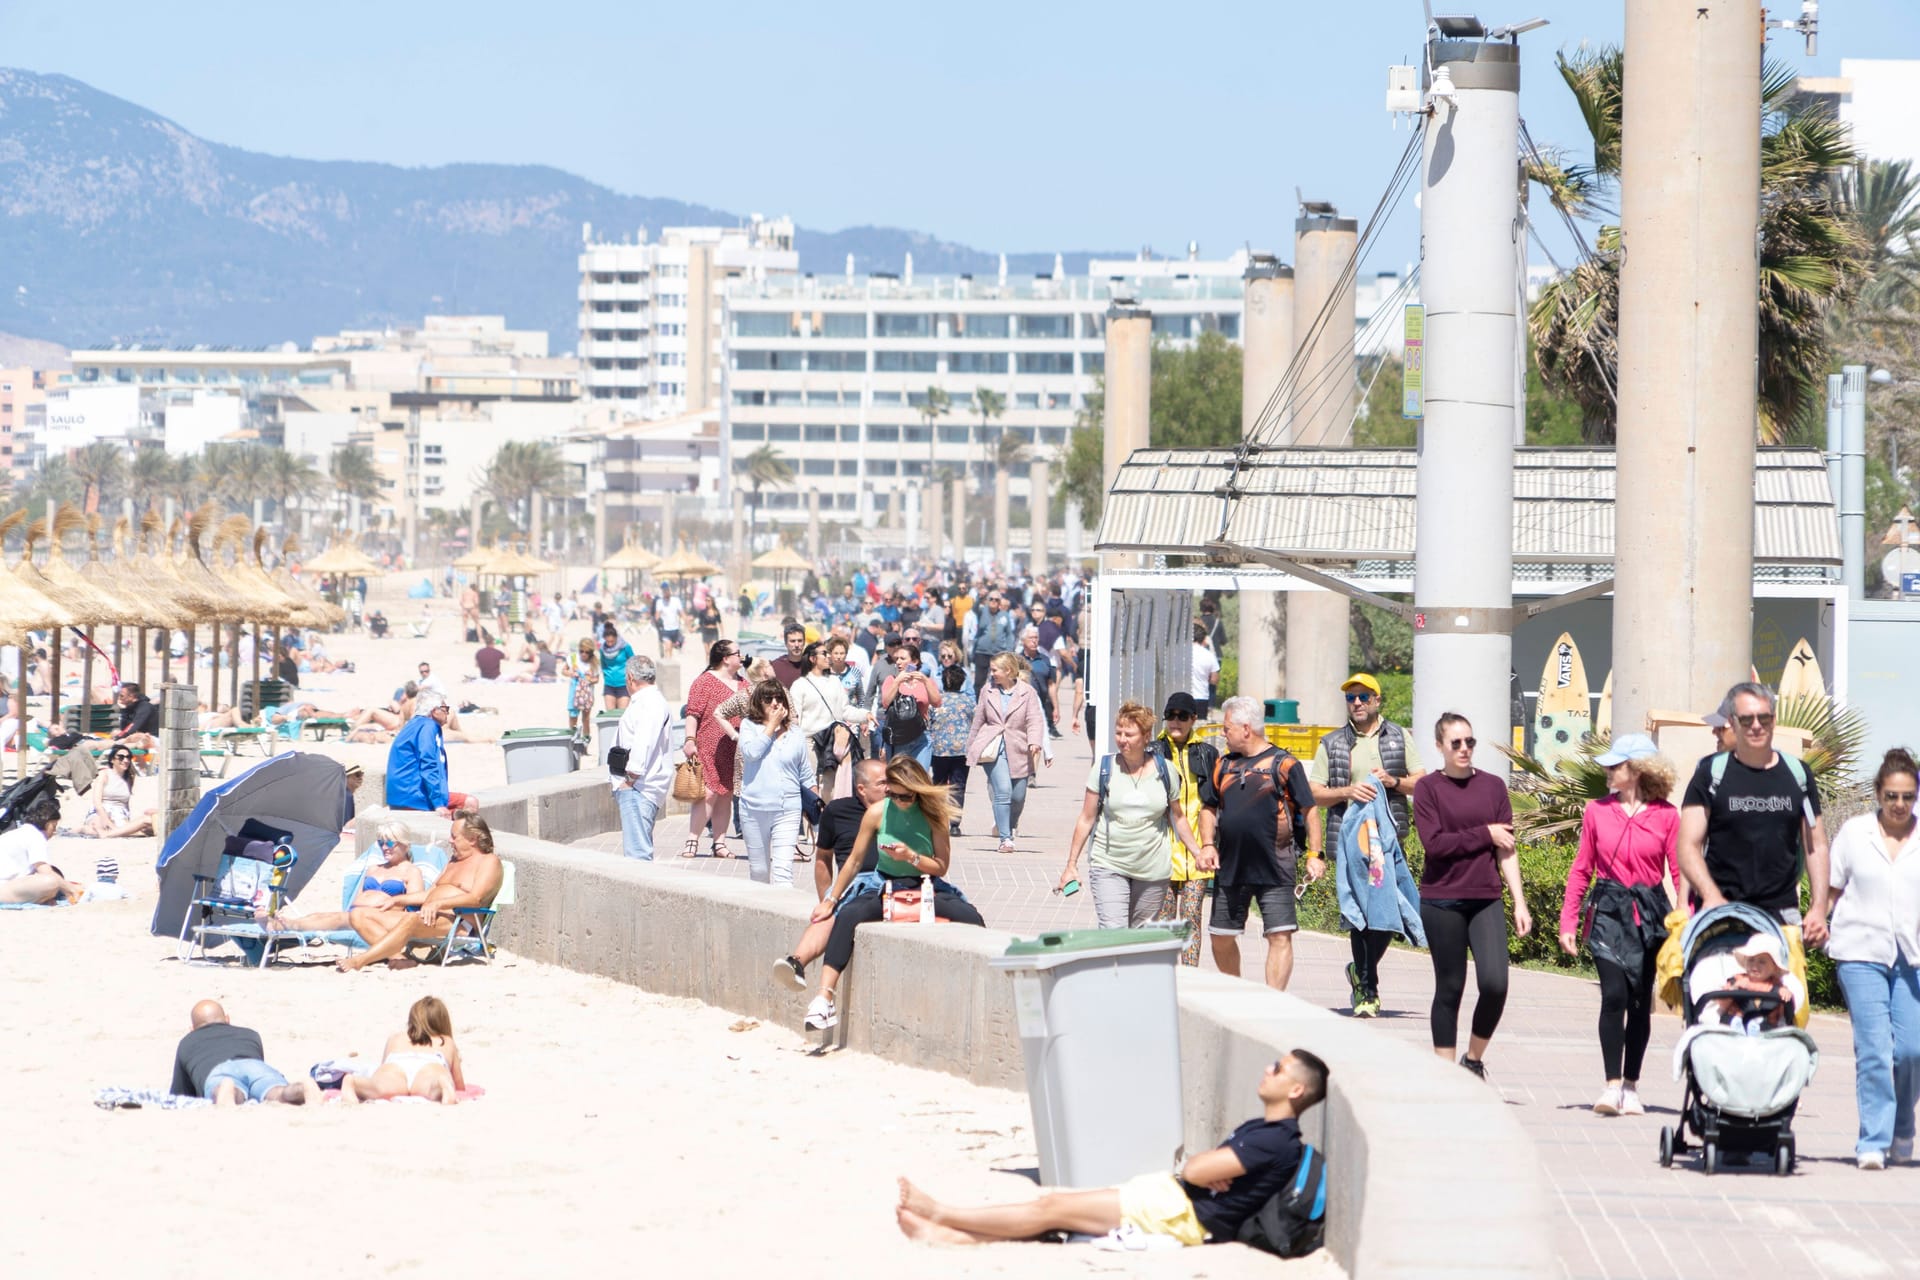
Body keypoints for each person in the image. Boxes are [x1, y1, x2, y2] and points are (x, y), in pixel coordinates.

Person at [894, 1053, 1327, 1248]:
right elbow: (1203, 1169)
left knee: (1053, 1208)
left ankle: (941, 1214)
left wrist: (1201, 1166)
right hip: (1179, 1202)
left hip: (1185, 1216)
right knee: (1059, 1211)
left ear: (1295, 1089)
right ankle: (951, 1235)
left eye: (1278, 1068)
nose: (1266, 1069)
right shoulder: (1267, 1130)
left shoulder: (1275, 1139)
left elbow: (1197, 1169)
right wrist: (1202, 1168)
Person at [1677, 681, 1829, 1029]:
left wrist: (1819, 906)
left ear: (1774, 720)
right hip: (1722, 917)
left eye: (1764, 718)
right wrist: (1711, 896)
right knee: (1715, 1011)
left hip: (1780, 916)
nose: (1757, 726)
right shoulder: (1711, 774)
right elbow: (1687, 844)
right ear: (1732, 722)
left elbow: (1816, 843)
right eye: (1747, 719)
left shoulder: (1798, 775)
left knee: (1788, 1014)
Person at [801, 758, 985, 1031]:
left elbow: (941, 867)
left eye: (906, 796)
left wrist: (911, 857)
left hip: (924, 885)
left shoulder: (934, 814)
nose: (899, 801)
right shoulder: (877, 812)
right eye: (893, 794)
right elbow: (853, 862)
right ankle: (823, 998)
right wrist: (830, 900)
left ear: (918, 790)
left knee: (971, 917)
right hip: (884, 885)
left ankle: (985, 987)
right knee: (848, 915)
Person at [1556, 733, 1680, 1117]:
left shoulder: (1667, 816)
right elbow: (1581, 869)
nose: (1608, 771)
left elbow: (1678, 872)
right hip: (1607, 909)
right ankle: (1610, 1086)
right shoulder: (1596, 811)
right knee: (1614, 995)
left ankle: (1631, 1086)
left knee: (1641, 1001)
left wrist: (1688, 920)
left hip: (1649, 913)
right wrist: (1568, 921)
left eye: (1616, 765)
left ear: (1640, 770)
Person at [1413, 712, 1530, 1080]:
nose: (1464, 749)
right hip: (1442, 899)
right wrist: (1486, 834)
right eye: (1456, 743)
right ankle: (1445, 1074)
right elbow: (1434, 846)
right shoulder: (1428, 789)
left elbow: (1506, 847)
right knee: (1450, 986)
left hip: (1485, 898)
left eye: (1470, 742)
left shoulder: (1494, 787)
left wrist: (1519, 901)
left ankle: (1474, 1059)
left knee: (1495, 984)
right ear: (1439, 747)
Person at [1825, 746, 1920, 1170]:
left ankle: (1903, 1125)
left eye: (1908, 797)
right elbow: (1830, 887)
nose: (1899, 805)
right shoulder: (1854, 833)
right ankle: (1873, 1139)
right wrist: (1814, 921)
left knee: (1912, 1051)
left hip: (1912, 957)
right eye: (1892, 796)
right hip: (1860, 950)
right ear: (1877, 794)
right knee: (1876, 1049)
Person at [1310, 673, 1426, 1017]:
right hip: (1349, 845)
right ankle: (1367, 989)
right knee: (1359, 916)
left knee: (1386, 913)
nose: (1357, 703)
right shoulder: (1331, 743)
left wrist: (1394, 781)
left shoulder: (1399, 737)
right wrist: (1348, 791)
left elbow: (1422, 783)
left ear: (1377, 701)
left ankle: (1362, 972)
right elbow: (1314, 792)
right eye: (1351, 698)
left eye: (1363, 697)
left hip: (1386, 844)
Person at [1198, 696, 1320, 991]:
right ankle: (1237, 993)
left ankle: (1272, 999)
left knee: (1279, 936)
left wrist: (1315, 854)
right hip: (1231, 865)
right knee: (1220, 936)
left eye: (1227, 728)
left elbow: (1310, 809)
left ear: (1246, 728)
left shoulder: (1284, 763)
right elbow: (1208, 808)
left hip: (1274, 866)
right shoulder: (1223, 765)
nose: (1223, 733)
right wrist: (1207, 844)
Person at [1060, 700, 1203, 928]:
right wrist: (1071, 865)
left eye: (1129, 734)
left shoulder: (1166, 770)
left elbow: (1178, 817)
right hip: (1109, 863)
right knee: (1113, 933)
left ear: (1146, 736)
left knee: (1138, 940)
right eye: (1118, 733)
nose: (1122, 739)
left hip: (1152, 870)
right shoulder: (1104, 768)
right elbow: (1086, 818)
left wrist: (1198, 853)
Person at [772, 758, 893, 991]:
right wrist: (826, 898)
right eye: (882, 783)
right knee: (829, 914)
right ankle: (796, 963)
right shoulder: (837, 811)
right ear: (861, 788)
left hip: (890, 882)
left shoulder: (898, 809)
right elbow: (823, 859)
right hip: (854, 885)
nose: (889, 788)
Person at [339, 814, 504, 971]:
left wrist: (438, 903)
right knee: (359, 915)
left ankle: (360, 961)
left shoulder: (488, 861)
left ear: (472, 839)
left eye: (454, 836)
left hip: (457, 922)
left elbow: (476, 898)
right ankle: (400, 958)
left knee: (411, 919)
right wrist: (397, 900)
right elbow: (428, 895)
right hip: (428, 916)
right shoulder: (453, 862)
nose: (450, 840)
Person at [265, 821, 431, 933]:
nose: (384, 848)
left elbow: (416, 901)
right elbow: (357, 898)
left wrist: (393, 901)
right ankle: (285, 923)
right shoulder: (373, 869)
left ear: (404, 844)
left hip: (381, 919)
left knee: (336, 918)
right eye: (381, 843)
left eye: (389, 843)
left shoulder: (411, 871)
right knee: (320, 915)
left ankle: (287, 925)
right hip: (357, 913)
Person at [1154, 691, 1220, 966]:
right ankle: (1163, 973)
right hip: (1163, 851)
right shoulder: (1153, 751)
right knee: (1164, 919)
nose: (1175, 722)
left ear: (1194, 719)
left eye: (1182, 716)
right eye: (1170, 715)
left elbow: (1213, 801)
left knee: (1192, 912)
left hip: (1196, 854)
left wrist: (1210, 843)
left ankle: (1190, 975)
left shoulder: (1207, 753)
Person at [730, 680, 817, 886]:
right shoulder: (748, 726)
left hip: (788, 809)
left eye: (779, 698)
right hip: (753, 809)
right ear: (758, 703)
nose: (775, 703)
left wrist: (816, 805)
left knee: (782, 872)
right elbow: (751, 753)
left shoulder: (795, 733)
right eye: (768, 699)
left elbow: (805, 772)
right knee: (759, 871)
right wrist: (770, 726)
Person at [967, 652, 1050, 853]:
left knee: (1018, 796)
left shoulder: (1027, 692)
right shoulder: (987, 690)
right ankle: (1005, 839)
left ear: (1008, 671)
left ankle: (1008, 826)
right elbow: (978, 719)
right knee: (1003, 791)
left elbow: (1034, 720)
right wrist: (971, 747)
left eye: (995, 670)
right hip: (994, 747)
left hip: (1019, 747)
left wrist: (1035, 742)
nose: (992, 673)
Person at [168, 999, 317, 1106]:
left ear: (192, 1029)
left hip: (219, 1072)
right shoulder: (250, 1035)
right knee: (277, 1092)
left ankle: (227, 1091)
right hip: (255, 1066)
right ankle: (301, 1088)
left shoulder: (187, 1042)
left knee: (233, 1094)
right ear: (227, 1019)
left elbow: (180, 1095)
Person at [682, 639, 749, 859]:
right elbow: (693, 713)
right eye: (737, 653)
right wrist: (689, 739)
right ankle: (693, 838)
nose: (741, 656)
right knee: (708, 793)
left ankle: (719, 842)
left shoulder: (743, 684)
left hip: (734, 749)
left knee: (726, 795)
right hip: (708, 746)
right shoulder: (705, 681)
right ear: (725, 658)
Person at [339, 996, 467, 1106]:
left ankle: (352, 1082)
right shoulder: (446, 1041)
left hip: (396, 1065)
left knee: (377, 1086)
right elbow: (460, 1086)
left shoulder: (396, 1038)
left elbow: (383, 1068)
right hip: (430, 1067)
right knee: (434, 1085)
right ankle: (441, 1084)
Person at [610, 655, 675, 862]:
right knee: (637, 850)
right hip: (639, 786)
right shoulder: (651, 701)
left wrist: (630, 779)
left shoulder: (650, 703)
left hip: (639, 787)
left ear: (630, 678)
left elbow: (643, 742)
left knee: (637, 855)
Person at [789, 642, 867, 805]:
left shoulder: (835, 682)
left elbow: (845, 711)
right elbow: (794, 720)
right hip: (810, 743)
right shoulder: (800, 685)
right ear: (812, 658)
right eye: (824, 653)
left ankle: (826, 827)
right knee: (810, 789)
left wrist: (865, 715)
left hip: (833, 742)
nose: (829, 656)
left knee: (829, 790)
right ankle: (812, 829)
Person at [384, 692, 473, 814]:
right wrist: (438, 803)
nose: (447, 713)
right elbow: (428, 763)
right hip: (414, 797)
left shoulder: (413, 724)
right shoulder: (429, 726)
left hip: (399, 796)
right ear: (434, 711)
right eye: (445, 708)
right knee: (470, 803)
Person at [1709, 934, 1802, 1032]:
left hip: (1765, 1030)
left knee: (1770, 1025)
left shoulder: (1777, 986)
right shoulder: (1737, 980)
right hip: (1734, 1026)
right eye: (1751, 960)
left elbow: (1784, 1016)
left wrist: (1785, 996)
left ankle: (1754, 1029)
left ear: (1774, 967)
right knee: (1729, 1019)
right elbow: (1722, 1005)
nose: (1755, 966)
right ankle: (1738, 1026)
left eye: (1762, 962)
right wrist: (1734, 988)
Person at [0, 796, 78, 905]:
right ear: (48, 824)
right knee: (51, 882)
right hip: (3, 887)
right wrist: (70, 889)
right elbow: (44, 870)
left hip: (7, 884)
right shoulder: (35, 836)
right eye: (54, 826)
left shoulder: (20, 832)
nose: (54, 832)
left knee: (54, 878)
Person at [929, 665, 976, 836]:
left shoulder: (936, 701)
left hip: (939, 750)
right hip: (962, 750)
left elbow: (929, 723)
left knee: (939, 785)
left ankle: (937, 820)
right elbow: (976, 722)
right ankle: (955, 824)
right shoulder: (968, 702)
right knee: (958, 786)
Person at [879, 640, 941, 769]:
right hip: (899, 737)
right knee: (901, 782)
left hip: (921, 737)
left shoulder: (926, 681)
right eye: (897, 659)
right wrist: (897, 682)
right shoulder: (891, 680)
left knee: (920, 781)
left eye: (902, 658)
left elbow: (937, 703)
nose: (898, 662)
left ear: (915, 661)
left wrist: (925, 681)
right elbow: (885, 703)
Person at [82, 745, 157, 838]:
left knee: (149, 825)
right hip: (101, 811)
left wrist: (126, 820)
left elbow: (126, 803)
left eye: (128, 757)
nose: (125, 760)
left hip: (119, 813)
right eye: (121, 757)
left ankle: (108, 832)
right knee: (98, 825)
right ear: (112, 760)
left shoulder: (129, 778)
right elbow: (97, 803)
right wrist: (106, 820)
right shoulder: (104, 774)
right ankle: (83, 829)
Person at [967, 589, 1017, 696]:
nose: (993, 601)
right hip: (982, 652)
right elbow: (974, 608)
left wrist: (1009, 651)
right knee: (979, 682)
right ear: (987, 600)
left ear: (1000, 602)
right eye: (991, 599)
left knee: (998, 680)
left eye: (996, 599)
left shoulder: (1005, 615)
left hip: (998, 653)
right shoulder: (982, 611)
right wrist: (981, 598)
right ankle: (978, 704)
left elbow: (1009, 634)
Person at [1019, 625, 1061, 739]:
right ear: (1023, 641)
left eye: (1036, 638)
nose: (1034, 641)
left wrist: (1056, 707)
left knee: (1039, 740)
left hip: (1040, 706)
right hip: (1021, 707)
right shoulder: (1016, 660)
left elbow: (1051, 685)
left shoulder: (1045, 660)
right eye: (1031, 638)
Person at [569, 640, 600, 744]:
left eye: (586, 652)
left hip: (587, 693)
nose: (583, 654)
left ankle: (586, 739)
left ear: (591, 652)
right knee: (573, 717)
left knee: (586, 718)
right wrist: (571, 673)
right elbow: (563, 671)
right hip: (574, 693)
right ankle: (572, 738)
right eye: (581, 651)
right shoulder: (573, 659)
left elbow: (597, 679)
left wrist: (589, 680)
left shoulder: (594, 663)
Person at [599, 623, 635, 712]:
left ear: (616, 638)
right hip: (609, 685)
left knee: (621, 715)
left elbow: (633, 662)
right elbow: (603, 664)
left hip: (623, 685)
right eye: (608, 642)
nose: (610, 644)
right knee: (610, 715)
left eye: (612, 641)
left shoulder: (625, 647)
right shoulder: (602, 649)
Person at [111, 682, 159, 748]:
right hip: (138, 738)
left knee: (136, 736)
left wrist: (118, 738)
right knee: (115, 732)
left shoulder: (145, 707)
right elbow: (124, 728)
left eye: (122, 696)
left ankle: (118, 746)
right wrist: (124, 711)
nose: (119, 698)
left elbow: (133, 726)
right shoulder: (130, 707)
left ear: (131, 697)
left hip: (152, 738)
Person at [1189, 623, 1221, 719]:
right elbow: (1214, 680)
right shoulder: (1209, 656)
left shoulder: (1183, 653)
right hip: (1201, 697)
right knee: (1198, 728)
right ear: (1203, 639)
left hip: (1184, 696)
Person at [772, 623, 809, 690]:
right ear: (786, 643)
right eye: (792, 641)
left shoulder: (811, 664)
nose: (797, 645)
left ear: (804, 642)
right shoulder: (775, 666)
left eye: (800, 641)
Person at [657, 591, 685, 659]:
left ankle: (669, 663)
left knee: (671, 649)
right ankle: (667, 662)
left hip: (675, 629)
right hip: (665, 629)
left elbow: (681, 613)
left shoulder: (676, 601)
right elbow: (657, 615)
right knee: (668, 648)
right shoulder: (660, 602)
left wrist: (687, 624)